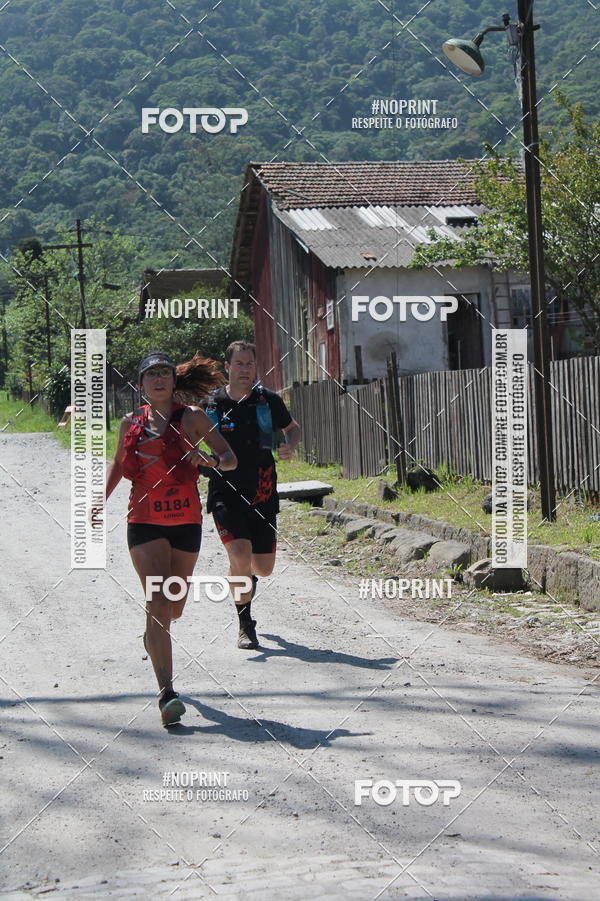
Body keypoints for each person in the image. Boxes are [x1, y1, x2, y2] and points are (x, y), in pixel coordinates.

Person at [102, 351, 237, 727]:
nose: (159, 379)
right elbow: (118, 463)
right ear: (140, 384)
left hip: (185, 522)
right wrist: (99, 500)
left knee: (173, 608)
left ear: (174, 381)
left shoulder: (192, 417)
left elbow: (230, 458)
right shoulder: (130, 422)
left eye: (165, 373)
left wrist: (210, 461)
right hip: (143, 521)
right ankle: (167, 694)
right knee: (158, 600)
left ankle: (153, 638)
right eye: (152, 374)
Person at [204, 341, 301, 650]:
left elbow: (292, 427)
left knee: (263, 568)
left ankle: (243, 575)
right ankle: (245, 623)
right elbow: (188, 437)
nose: (245, 369)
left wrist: (290, 445)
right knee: (240, 554)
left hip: (262, 492)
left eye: (250, 363)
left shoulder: (268, 400)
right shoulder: (211, 404)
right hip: (225, 492)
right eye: (239, 363)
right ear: (227, 367)